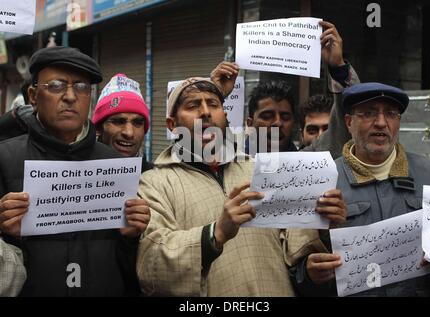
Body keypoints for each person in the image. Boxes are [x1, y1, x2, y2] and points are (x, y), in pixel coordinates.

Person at [136, 71, 347, 296]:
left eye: (213, 104)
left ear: (224, 115)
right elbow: (151, 266)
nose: (206, 112)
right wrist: (214, 234)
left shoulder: (261, 170)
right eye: (193, 105)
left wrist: (324, 227)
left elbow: (296, 252)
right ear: (172, 124)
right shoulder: (155, 183)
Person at [0, 46, 150, 296]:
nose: (70, 96)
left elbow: (132, 272)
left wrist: (131, 237)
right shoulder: (4, 159)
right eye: (57, 85)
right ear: (33, 95)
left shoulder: (115, 165)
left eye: (81, 87)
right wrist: (7, 232)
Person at [292, 82, 430, 296]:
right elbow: (298, 270)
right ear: (348, 122)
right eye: (368, 113)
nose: (381, 123)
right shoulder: (322, 181)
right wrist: (311, 274)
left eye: (391, 114)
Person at [245, 21, 359, 158]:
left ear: (293, 125)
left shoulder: (309, 161)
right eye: (267, 116)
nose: (277, 123)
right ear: (250, 125)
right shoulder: (227, 162)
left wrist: (338, 68)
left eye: (285, 117)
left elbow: (343, 122)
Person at [92, 73, 152, 172]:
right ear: (98, 128)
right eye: (119, 122)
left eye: (137, 123)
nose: (129, 133)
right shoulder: (75, 175)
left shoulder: (157, 181)